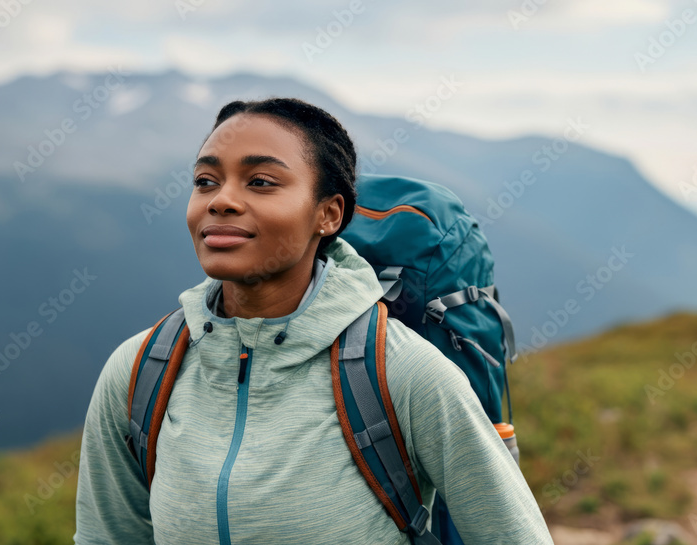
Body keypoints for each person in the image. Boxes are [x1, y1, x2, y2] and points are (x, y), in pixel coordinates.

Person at [73, 97, 554, 544]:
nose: (220, 200)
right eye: (206, 181)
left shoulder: (404, 374)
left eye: (261, 181)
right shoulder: (140, 370)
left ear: (328, 214)